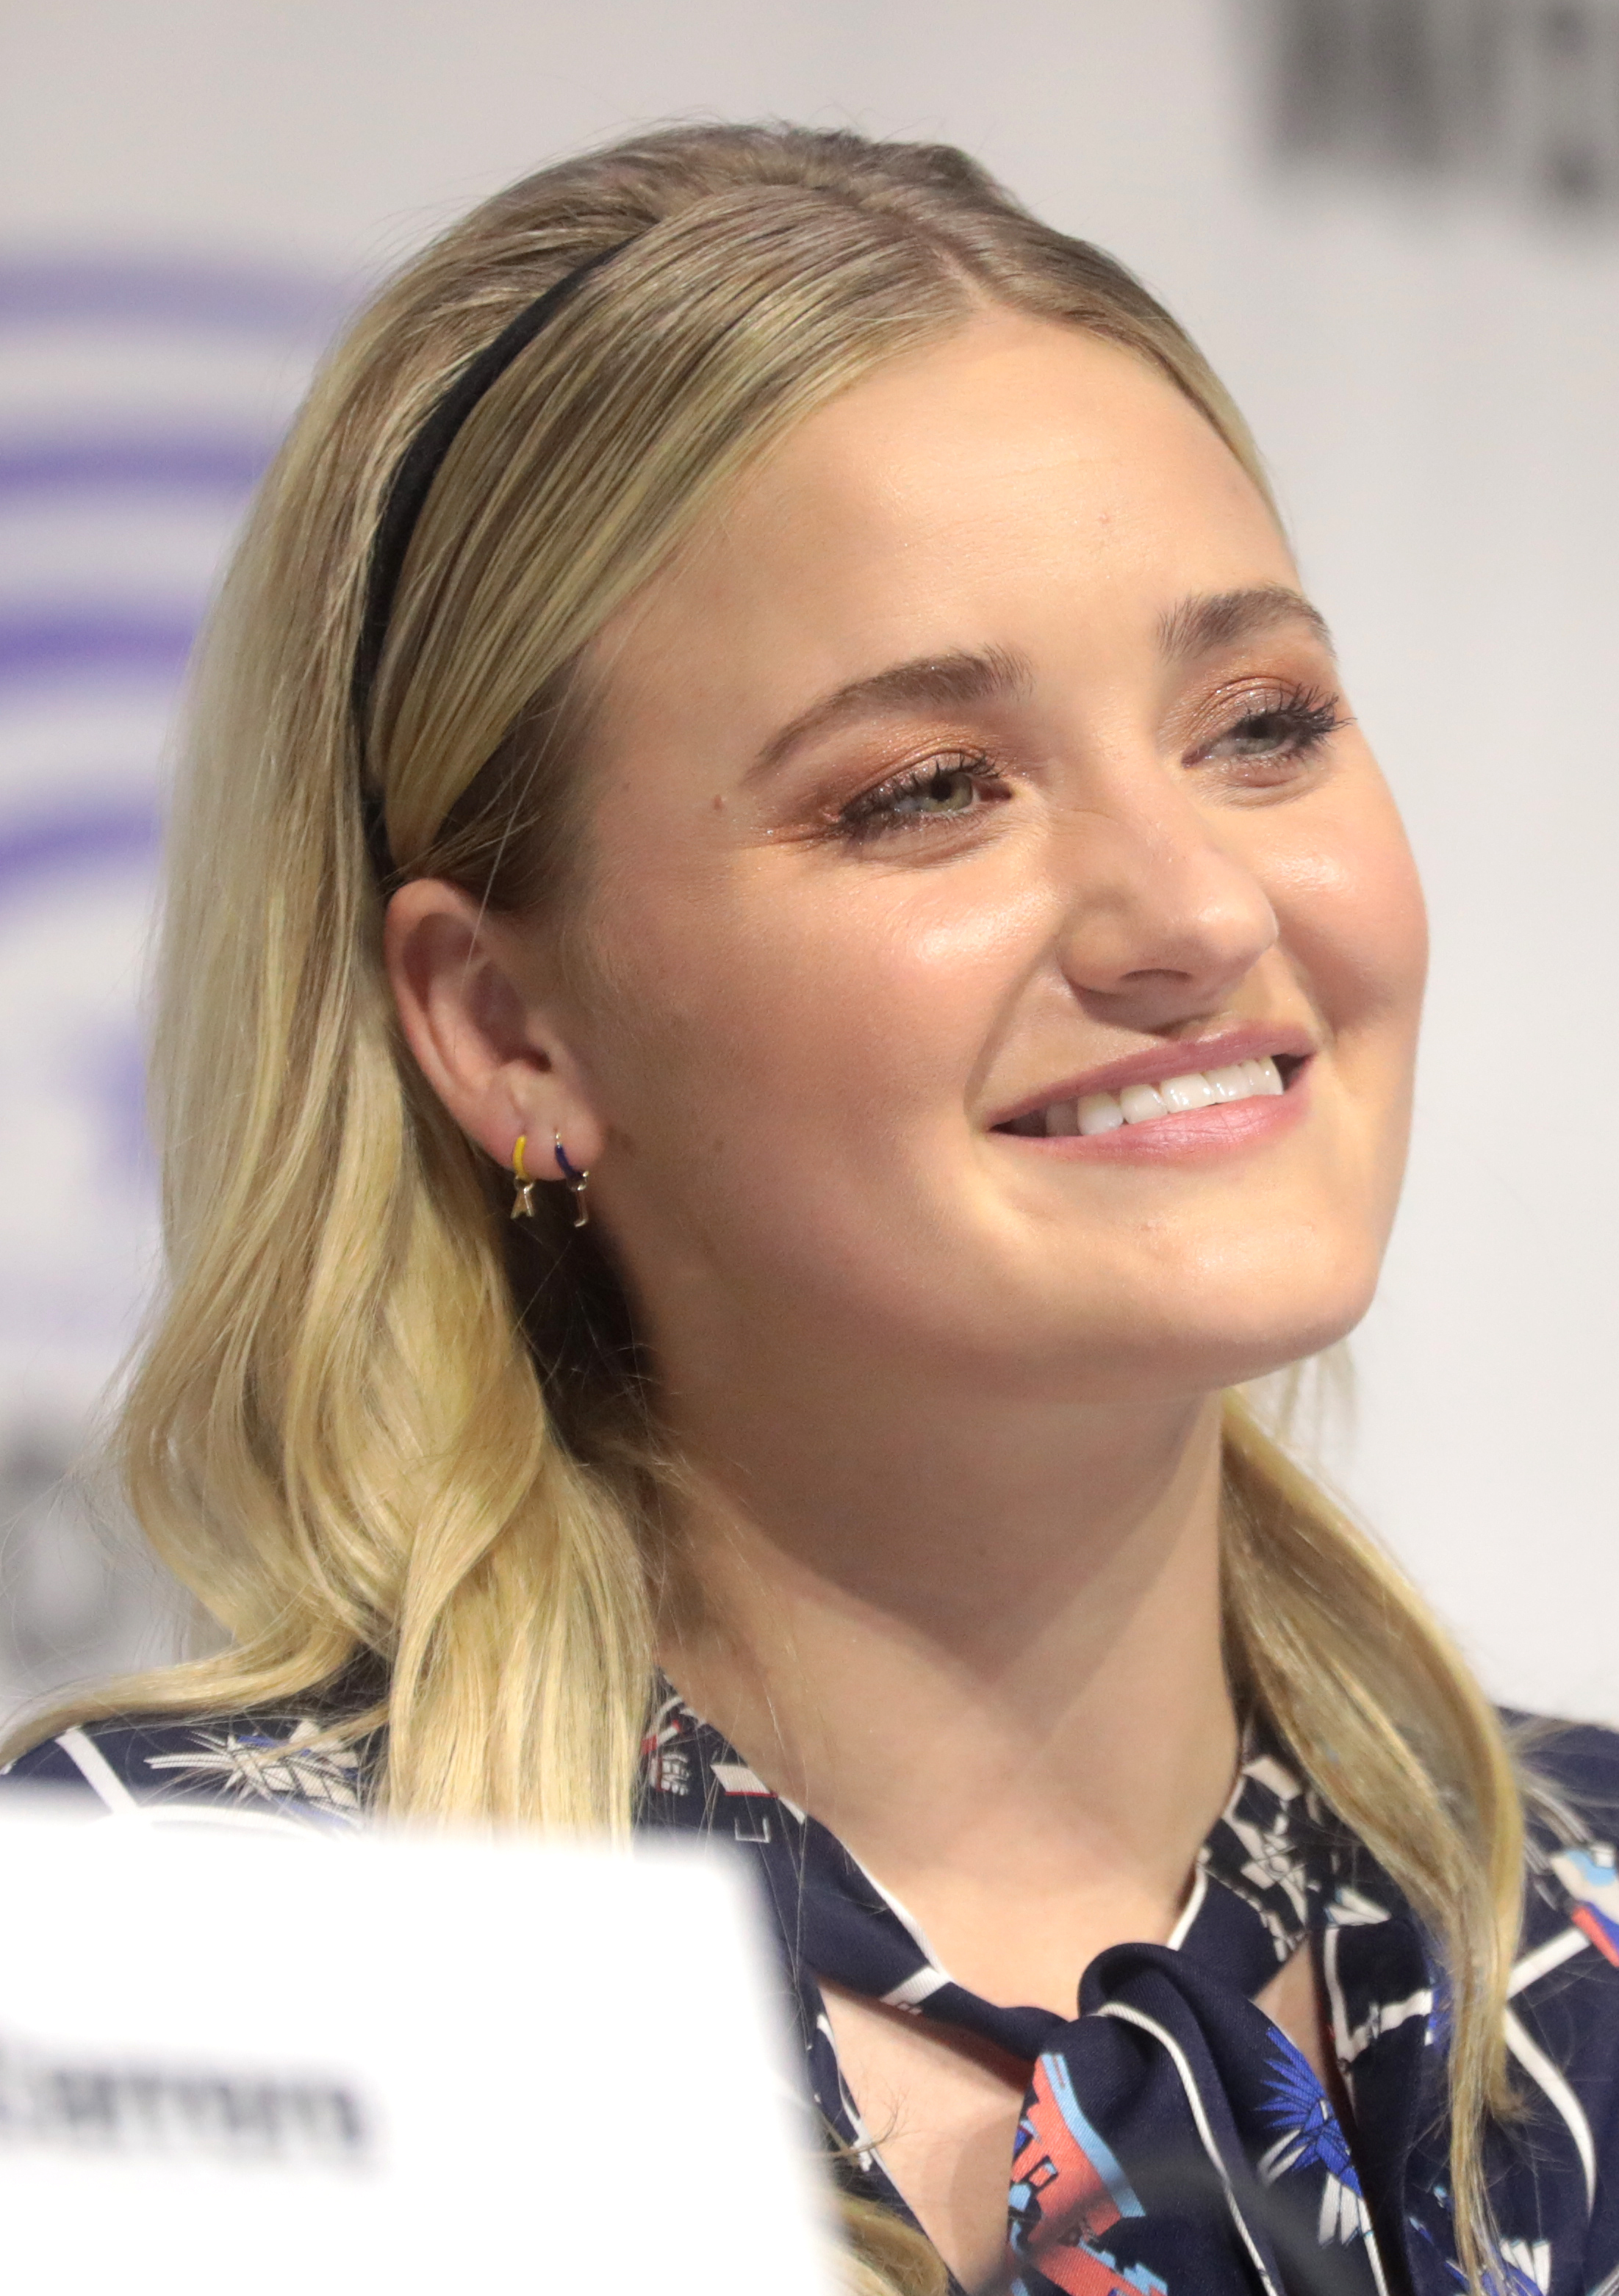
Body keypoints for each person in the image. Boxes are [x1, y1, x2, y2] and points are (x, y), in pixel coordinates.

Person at [4, 122, 1616, 2296]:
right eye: (929, 790)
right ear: (509, 1030)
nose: (1194, 909)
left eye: (1259, 725)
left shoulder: (1594, 1932)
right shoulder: (153, 1975)